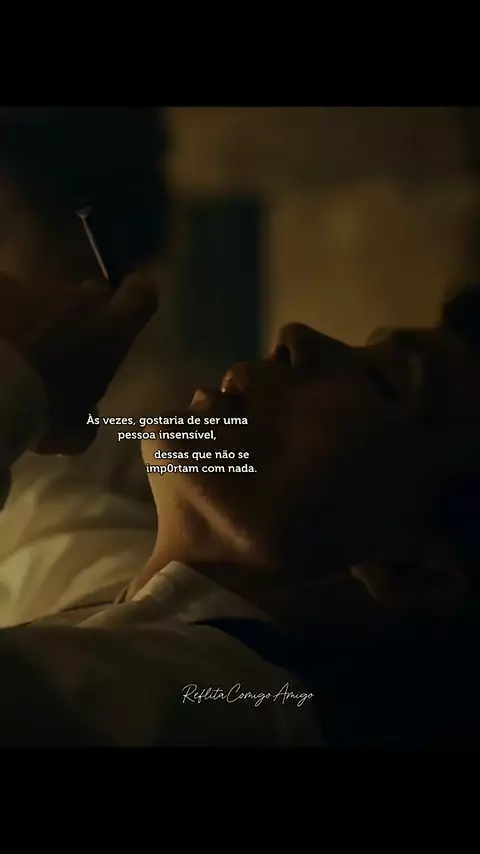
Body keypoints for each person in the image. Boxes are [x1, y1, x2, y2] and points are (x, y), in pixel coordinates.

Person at [1, 106, 480, 746]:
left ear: (418, 569)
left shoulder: (224, 711)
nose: (296, 337)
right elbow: (43, 515)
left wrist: (18, 381)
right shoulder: (137, 585)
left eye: (383, 380)